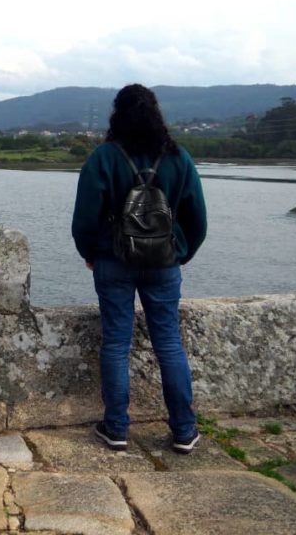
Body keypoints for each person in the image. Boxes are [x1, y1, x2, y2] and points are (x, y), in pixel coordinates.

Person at [71, 84, 207, 454]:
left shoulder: (104, 157)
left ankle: (116, 428)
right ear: (157, 114)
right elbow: (198, 220)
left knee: (116, 343)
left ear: (117, 114)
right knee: (169, 343)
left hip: (113, 261)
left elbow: (84, 218)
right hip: (164, 263)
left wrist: (90, 252)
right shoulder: (179, 158)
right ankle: (184, 430)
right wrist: (181, 252)